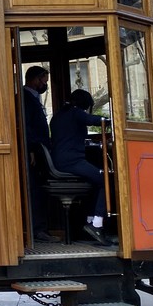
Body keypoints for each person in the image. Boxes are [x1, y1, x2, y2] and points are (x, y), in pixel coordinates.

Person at [49, 88, 111, 246]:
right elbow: (94, 120)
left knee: (93, 180)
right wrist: (110, 120)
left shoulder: (58, 116)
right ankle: (97, 224)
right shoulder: (76, 113)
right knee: (103, 179)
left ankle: (89, 220)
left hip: (59, 160)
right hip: (71, 161)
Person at [22, 66, 56, 243]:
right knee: (35, 190)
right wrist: (31, 148)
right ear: (35, 79)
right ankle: (37, 229)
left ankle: (40, 228)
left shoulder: (33, 97)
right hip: (34, 152)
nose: (45, 85)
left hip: (38, 150)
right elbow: (25, 126)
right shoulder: (25, 98)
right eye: (44, 81)